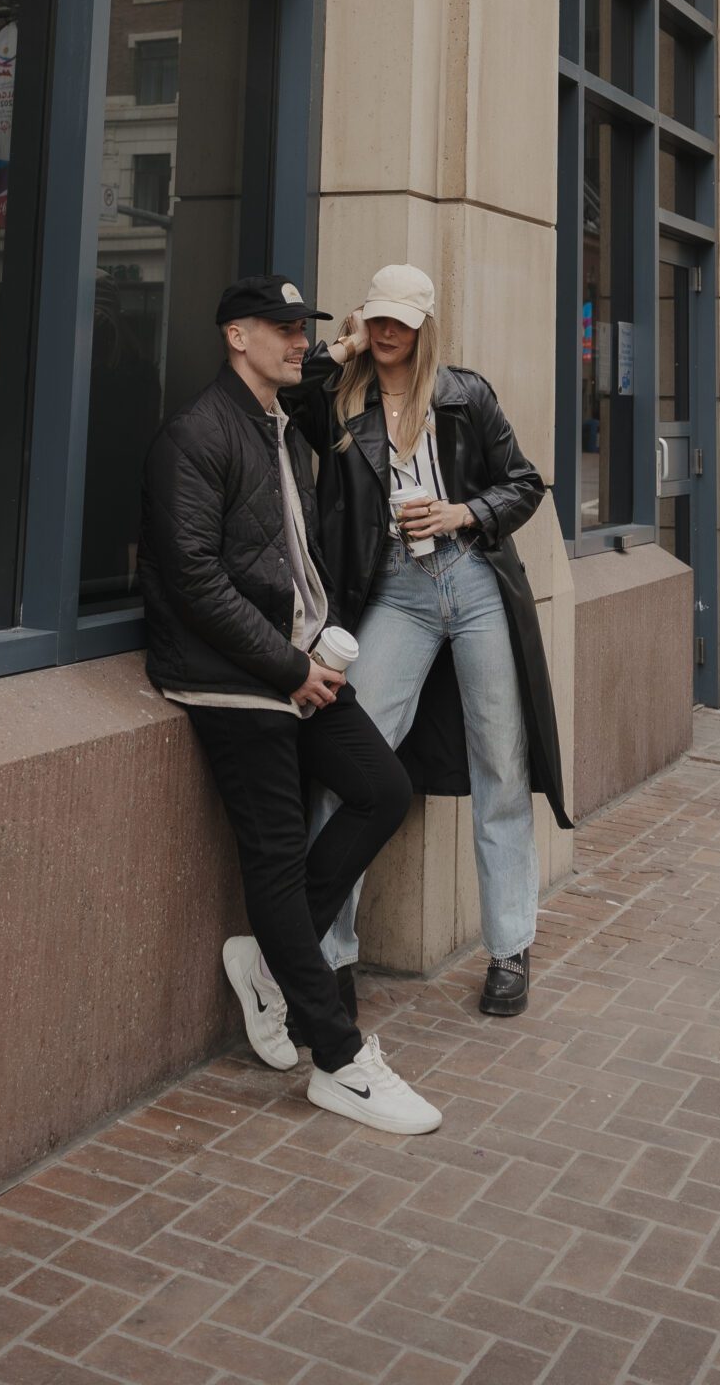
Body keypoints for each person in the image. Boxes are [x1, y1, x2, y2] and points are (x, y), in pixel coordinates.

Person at [138, 273, 442, 1135]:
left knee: (381, 789)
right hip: (233, 675)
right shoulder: (195, 436)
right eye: (277, 328)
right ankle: (339, 1062)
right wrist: (283, 668)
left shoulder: (277, 421)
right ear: (236, 336)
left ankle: (273, 961)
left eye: (300, 327)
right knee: (273, 852)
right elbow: (195, 578)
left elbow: (322, 377)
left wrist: (307, 654)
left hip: (297, 662)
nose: (295, 340)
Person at [293, 264, 572, 1020]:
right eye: (376, 319)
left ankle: (509, 949)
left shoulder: (462, 395)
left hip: (474, 584)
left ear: (423, 327)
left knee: (500, 767)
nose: (387, 334)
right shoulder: (339, 399)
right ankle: (328, 953)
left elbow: (523, 481)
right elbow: (287, 390)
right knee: (353, 760)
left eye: (399, 323)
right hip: (394, 593)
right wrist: (340, 348)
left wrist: (460, 514)